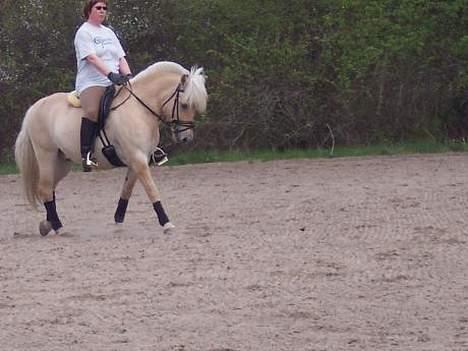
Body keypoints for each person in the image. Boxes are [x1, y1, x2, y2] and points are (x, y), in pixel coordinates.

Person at [74, 0, 132, 171]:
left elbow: (121, 57)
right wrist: (110, 74)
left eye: (104, 8)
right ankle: (87, 155)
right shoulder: (83, 32)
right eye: (98, 8)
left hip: (115, 79)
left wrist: (128, 76)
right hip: (92, 81)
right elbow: (92, 58)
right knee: (92, 110)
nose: (102, 11)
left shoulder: (109, 33)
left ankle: (150, 148)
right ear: (89, 10)